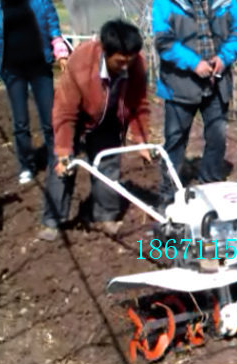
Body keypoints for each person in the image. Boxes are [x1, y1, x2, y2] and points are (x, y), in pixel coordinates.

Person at [42, 19, 151, 236]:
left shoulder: (137, 65)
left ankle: (106, 216)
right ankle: (52, 221)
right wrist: (64, 150)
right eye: (120, 62)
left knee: (108, 167)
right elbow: (64, 112)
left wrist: (141, 141)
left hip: (109, 119)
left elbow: (139, 104)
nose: (125, 67)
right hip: (77, 118)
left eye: (129, 62)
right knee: (62, 168)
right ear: (105, 52)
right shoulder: (81, 62)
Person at [152, 0, 237, 195]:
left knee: (216, 137)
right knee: (175, 139)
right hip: (180, 84)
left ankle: (210, 184)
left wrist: (224, 58)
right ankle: (169, 192)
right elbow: (163, 41)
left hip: (217, 82)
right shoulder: (165, 3)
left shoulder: (225, 2)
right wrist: (194, 63)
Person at [0, 0, 69, 187]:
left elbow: (51, 20)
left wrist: (59, 49)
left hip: (39, 64)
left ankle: (55, 159)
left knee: (49, 117)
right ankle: (26, 166)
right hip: (12, 68)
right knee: (20, 122)